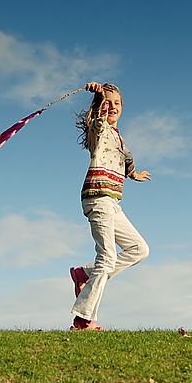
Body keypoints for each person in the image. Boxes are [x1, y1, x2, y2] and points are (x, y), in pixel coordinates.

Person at [69, 81, 151, 331]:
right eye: (109, 102)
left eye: (117, 103)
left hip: (113, 202)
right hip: (97, 197)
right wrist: (98, 99)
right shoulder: (100, 130)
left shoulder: (118, 137)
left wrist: (134, 174)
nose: (113, 107)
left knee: (139, 249)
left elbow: (126, 159)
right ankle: (83, 321)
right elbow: (98, 121)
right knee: (106, 258)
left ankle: (84, 274)